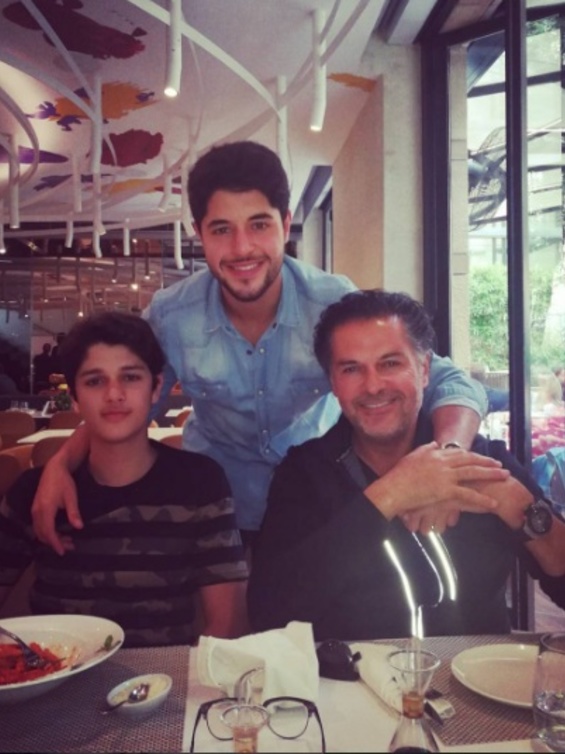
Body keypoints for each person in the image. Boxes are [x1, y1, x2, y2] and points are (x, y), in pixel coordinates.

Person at [31, 140, 487, 554]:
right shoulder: (172, 316)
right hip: (213, 508)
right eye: (221, 229)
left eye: (259, 224)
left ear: (285, 224)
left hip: (318, 499)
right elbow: (129, 403)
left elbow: (446, 380)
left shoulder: (331, 302)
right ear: (199, 232)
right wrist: (62, 464)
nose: (242, 248)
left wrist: (446, 460)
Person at [247, 290, 565, 640]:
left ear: (424, 369)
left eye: (390, 364)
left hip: (472, 670)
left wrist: (520, 504)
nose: (373, 386)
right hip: (350, 673)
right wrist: (389, 495)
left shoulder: (483, 461)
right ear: (333, 383)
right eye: (351, 369)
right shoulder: (304, 475)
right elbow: (268, 612)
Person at [0, 312, 248, 647]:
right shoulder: (34, 492)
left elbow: (228, 625)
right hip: (56, 672)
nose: (114, 394)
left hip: (169, 673)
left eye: (130, 377)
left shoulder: (200, 483)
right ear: (74, 398)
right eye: (94, 381)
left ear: (156, 388)